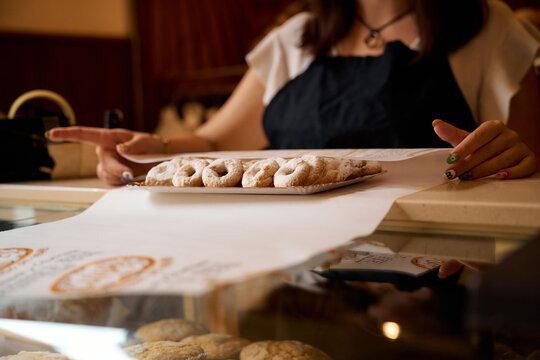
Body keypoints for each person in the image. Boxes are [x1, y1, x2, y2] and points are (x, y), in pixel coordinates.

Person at [48, 0, 540, 185]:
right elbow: (215, 141)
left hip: (444, 266)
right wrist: (153, 150)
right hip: (302, 270)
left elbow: (529, 156)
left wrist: (518, 157)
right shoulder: (295, 37)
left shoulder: (488, 26)